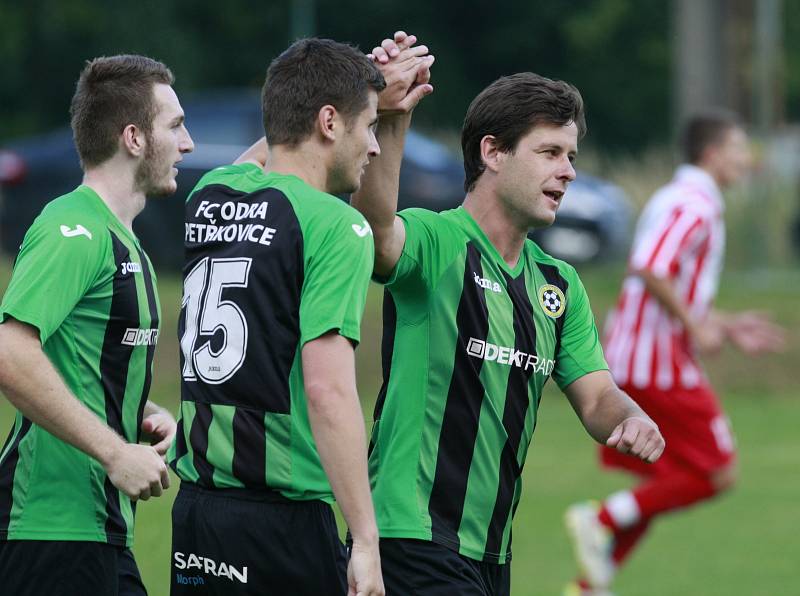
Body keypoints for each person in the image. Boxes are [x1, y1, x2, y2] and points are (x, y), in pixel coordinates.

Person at [347, 32, 665, 596]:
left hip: (492, 553)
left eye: (571, 157)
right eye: (549, 153)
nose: (567, 171)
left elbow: (595, 397)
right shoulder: (439, 242)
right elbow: (375, 233)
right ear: (492, 153)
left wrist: (630, 417)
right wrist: (391, 118)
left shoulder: (557, 285)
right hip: (410, 539)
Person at [166, 37, 430, 596]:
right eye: (368, 126)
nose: (375, 147)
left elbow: (273, 149)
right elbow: (328, 391)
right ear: (330, 123)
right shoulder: (338, 226)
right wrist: (364, 537)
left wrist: (358, 95)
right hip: (281, 521)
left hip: (197, 514)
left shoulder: (211, 194)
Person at [564, 110, 786, 595]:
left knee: (663, 481)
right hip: (657, 366)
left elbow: (664, 281)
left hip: (644, 356)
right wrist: (695, 327)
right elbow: (650, 268)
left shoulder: (679, 197)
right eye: (737, 149)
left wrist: (722, 325)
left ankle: (587, 587)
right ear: (711, 154)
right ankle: (598, 518)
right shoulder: (696, 204)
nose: (745, 161)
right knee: (717, 471)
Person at [0, 54, 192, 595]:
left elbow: (77, 362)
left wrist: (136, 414)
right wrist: (113, 451)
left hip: (98, 534)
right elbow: (10, 352)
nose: (188, 144)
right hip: (49, 536)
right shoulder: (73, 227)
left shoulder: (123, 238)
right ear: (133, 138)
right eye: (175, 126)